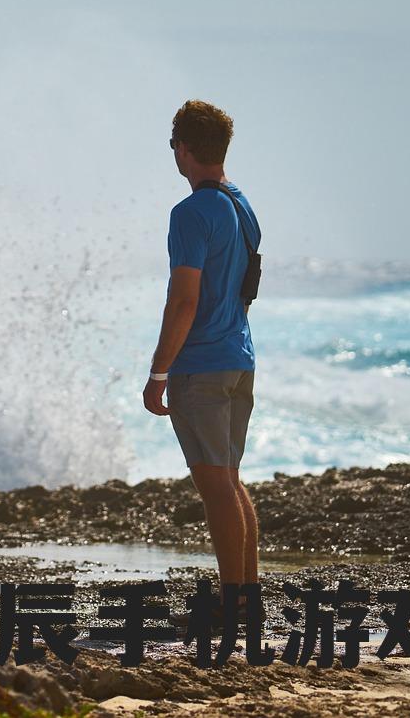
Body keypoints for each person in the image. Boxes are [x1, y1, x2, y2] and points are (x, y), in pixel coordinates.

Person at [142, 99, 263, 623]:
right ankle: (246, 595)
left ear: (184, 150)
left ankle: (234, 603)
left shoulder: (189, 213)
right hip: (239, 357)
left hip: (204, 366)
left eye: (174, 145)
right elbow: (246, 289)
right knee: (231, 480)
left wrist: (158, 372)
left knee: (217, 488)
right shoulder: (242, 205)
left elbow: (183, 300)